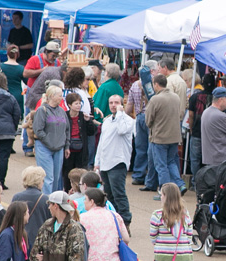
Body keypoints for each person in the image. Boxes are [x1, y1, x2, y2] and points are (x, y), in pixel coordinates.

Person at [149, 182, 194, 261]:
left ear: (165, 196)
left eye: (161, 194)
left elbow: (153, 237)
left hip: (164, 259)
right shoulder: (185, 214)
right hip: (183, 258)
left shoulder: (157, 215)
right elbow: (189, 235)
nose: (160, 197)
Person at [94, 94, 135, 227]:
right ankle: (113, 219)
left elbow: (122, 130)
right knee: (109, 194)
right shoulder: (106, 121)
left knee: (119, 194)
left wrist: (120, 114)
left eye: (116, 102)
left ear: (121, 103)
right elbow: (102, 143)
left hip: (118, 162)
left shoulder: (128, 120)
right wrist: (97, 163)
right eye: (111, 102)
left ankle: (125, 221)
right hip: (105, 163)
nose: (113, 105)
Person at [146, 73, 186, 193]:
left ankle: (165, 191)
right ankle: (180, 184)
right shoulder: (175, 97)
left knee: (161, 165)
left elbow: (148, 120)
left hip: (160, 137)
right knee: (171, 162)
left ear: (156, 84)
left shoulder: (155, 99)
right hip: (174, 136)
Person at [32, 84, 69, 194]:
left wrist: (66, 146)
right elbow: (38, 130)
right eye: (59, 95)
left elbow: (67, 130)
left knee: (57, 179)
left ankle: (54, 202)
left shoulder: (62, 111)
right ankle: (47, 202)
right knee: (48, 178)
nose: (61, 98)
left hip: (59, 148)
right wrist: (50, 142)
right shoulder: (42, 110)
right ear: (52, 96)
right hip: (44, 147)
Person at [128, 59, 157, 188]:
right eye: (156, 70)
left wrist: (127, 115)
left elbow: (129, 105)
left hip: (139, 117)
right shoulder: (153, 84)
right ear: (152, 70)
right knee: (151, 148)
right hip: (151, 118)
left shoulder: (135, 85)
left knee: (140, 148)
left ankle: (138, 175)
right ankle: (149, 177)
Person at [200, 86, 226, 169]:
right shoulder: (221, 116)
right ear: (220, 100)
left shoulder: (205, 112)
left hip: (209, 158)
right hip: (220, 160)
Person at [12, 166, 51, 251]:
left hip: (20, 238)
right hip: (39, 240)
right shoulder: (45, 199)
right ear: (38, 181)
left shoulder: (17, 197)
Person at [62, 91, 96, 186]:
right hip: (68, 150)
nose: (78, 105)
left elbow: (92, 132)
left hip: (81, 150)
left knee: (80, 173)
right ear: (69, 105)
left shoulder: (83, 116)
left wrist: (88, 121)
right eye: (76, 103)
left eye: (80, 103)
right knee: (67, 173)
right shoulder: (64, 116)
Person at [0, 44, 25, 115]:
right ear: (17, 55)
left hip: (3, 95)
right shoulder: (21, 68)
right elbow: (27, 82)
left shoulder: (1, 67)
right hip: (17, 96)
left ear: (7, 54)